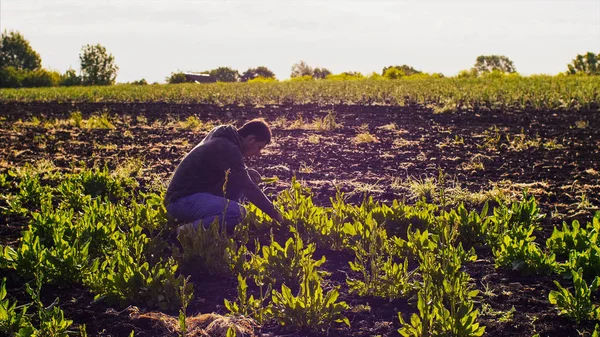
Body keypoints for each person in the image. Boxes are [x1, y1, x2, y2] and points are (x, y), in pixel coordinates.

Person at [164, 119, 283, 234]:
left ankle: (218, 224)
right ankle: (185, 232)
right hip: (180, 202)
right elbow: (247, 187)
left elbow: (238, 176)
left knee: (247, 178)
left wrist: (248, 174)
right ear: (251, 139)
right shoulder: (227, 147)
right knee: (237, 212)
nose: (258, 153)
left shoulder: (225, 139)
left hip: (192, 197)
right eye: (259, 148)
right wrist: (276, 215)